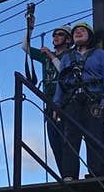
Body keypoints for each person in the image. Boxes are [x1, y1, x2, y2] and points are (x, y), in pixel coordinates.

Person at [52, 20, 104, 181]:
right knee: (70, 137)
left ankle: (96, 172)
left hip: (93, 98)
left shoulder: (100, 55)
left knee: (94, 136)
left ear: (90, 36)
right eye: (75, 32)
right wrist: (56, 105)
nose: (78, 33)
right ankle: (69, 174)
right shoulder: (67, 57)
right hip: (72, 100)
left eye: (82, 31)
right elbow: (61, 82)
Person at [23, 18, 72, 175]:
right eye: (54, 35)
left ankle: (69, 174)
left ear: (68, 39)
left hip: (66, 102)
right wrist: (30, 29)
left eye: (60, 35)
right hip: (49, 102)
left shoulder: (71, 55)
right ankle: (63, 174)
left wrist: (51, 56)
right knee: (54, 141)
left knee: (67, 140)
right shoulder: (46, 57)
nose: (55, 37)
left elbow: (64, 71)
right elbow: (25, 47)